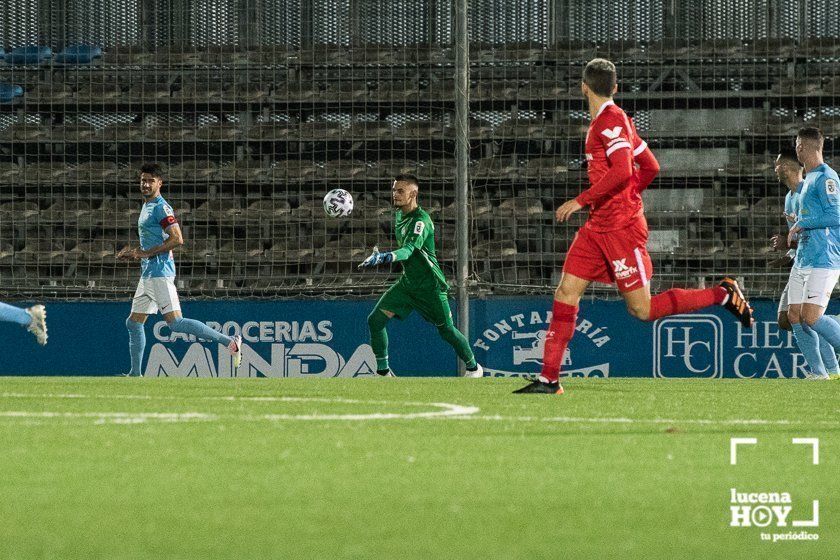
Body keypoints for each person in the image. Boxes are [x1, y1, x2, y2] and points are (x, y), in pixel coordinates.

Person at [514, 58, 753, 394]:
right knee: (566, 293)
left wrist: (583, 199)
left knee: (642, 309)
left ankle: (722, 294)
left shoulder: (609, 121)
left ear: (583, 86)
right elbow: (650, 166)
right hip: (598, 227)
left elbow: (624, 169)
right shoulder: (615, 119)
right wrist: (624, 196)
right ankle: (549, 378)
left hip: (621, 229)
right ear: (614, 86)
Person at [117, 163, 242, 376]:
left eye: (150, 180)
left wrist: (145, 253)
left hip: (159, 273)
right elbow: (154, 240)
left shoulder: (161, 207)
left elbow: (177, 238)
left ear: (160, 183)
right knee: (133, 322)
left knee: (175, 323)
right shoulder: (146, 206)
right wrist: (136, 252)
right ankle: (135, 374)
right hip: (148, 273)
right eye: (143, 180)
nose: (146, 184)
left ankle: (230, 342)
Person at [358, 174, 483, 378]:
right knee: (375, 320)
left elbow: (408, 251)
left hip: (430, 286)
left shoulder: (421, 221)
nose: (395, 195)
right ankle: (383, 374)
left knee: (447, 331)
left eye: (401, 191)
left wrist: (383, 257)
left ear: (413, 194)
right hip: (408, 284)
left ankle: (473, 368)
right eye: (394, 190)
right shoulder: (400, 215)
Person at [770, 148, 839, 378]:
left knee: (806, 318)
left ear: (788, 167)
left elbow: (821, 227)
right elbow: (798, 238)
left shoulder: (810, 191)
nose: (774, 168)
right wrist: (786, 248)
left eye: (777, 164)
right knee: (791, 317)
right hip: (801, 260)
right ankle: (823, 371)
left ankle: (828, 368)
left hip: (819, 260)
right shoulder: (789, 199)